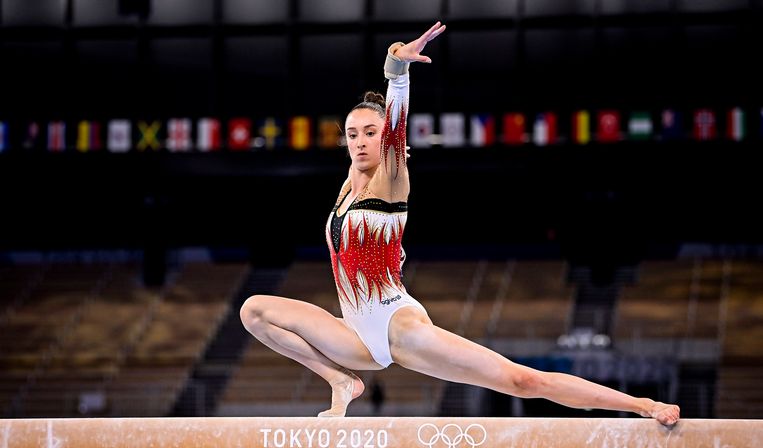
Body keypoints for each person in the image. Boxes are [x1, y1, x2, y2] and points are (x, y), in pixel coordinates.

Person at [239, 21, 680, 426]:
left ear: (386, 137)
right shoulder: (347, 185)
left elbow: (396, 128)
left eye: (370, 132)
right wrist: (389, 58)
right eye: (352, 134)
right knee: (254, 311)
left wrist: (397, 71)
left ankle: (642, 405)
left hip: (397, 327)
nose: (360, 141)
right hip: (353, 334)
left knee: (522, 382)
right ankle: (340, 382)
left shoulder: (391, 178)